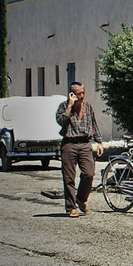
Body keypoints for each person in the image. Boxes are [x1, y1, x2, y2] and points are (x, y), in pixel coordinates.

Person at [55, 82, 103, 218]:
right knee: (68, 177)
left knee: (89, 173)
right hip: (69, 144)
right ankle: (71, 207)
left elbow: (93, 124)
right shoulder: (63, 107)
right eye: (78, 93)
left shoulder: (88, 107)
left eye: (83, 93)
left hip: (85, 144)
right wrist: (70, 106)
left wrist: (99, 141)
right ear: (71, 94)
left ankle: (81, 198)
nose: (81, 96)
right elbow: (60, 122)